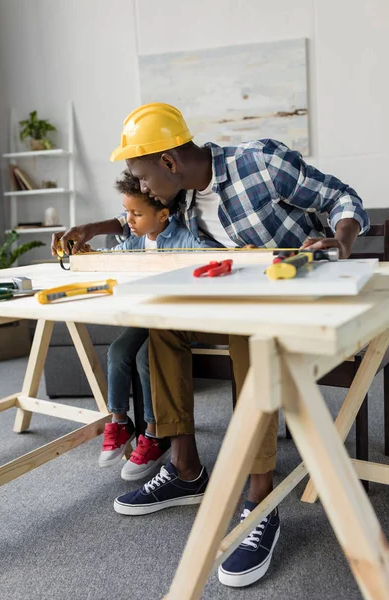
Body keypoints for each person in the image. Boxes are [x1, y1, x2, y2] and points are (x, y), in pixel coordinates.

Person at [53, 102, 369, 589]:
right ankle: (185, 468)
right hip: (231, 298)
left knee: (249, 334)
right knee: (160, 324)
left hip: (292, 299)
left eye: (141, 176)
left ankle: (258, 499)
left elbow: (342, 199)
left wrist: (340, 241)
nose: (140, 189)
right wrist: (89, 230)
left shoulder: (259, 163)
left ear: (170, 163)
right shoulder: (176, 193)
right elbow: (134, 219)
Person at [87, 169, 211, 481]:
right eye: (127, 212)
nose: (128, 220)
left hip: (177, 321)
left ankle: (154, 433)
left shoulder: (184, 240)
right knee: (117, 351)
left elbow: (206, 260)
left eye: (136, 213)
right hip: (147, 319)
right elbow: (112, 257)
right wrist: (89, 256)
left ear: (163, 214)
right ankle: (119, 420)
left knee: (147, 358)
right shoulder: (137, 241)